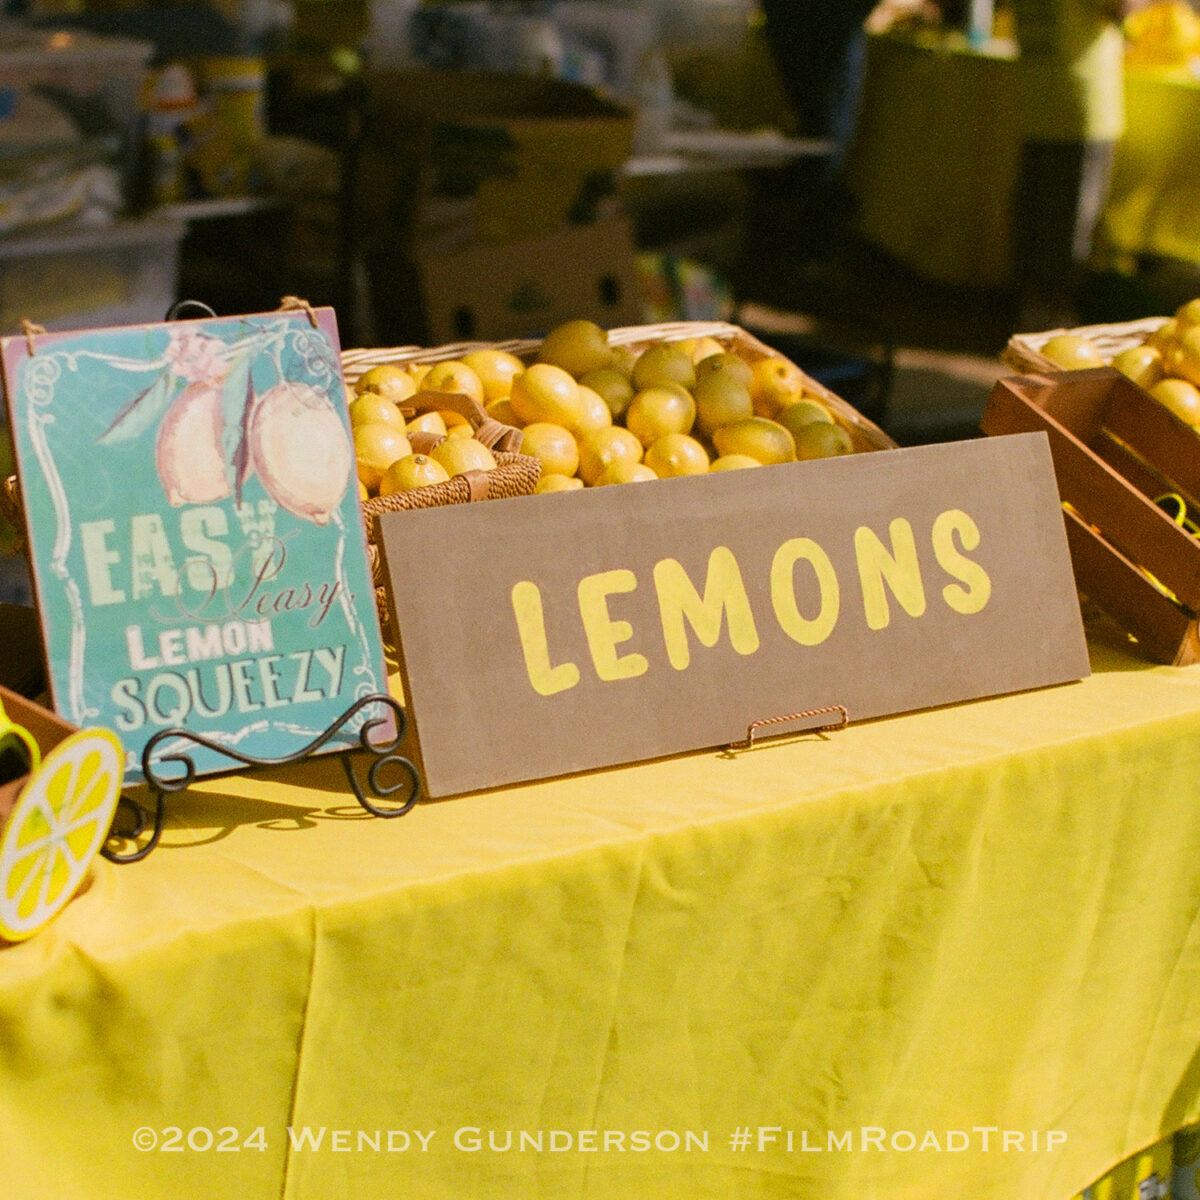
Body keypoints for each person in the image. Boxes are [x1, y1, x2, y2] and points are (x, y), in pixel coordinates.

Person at [1009, 0, 1149, 328]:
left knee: (1035, 211)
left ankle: (1030, 310)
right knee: (1069, 225)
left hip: (1036, 97)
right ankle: (1053, 325)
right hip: (1080, 103)